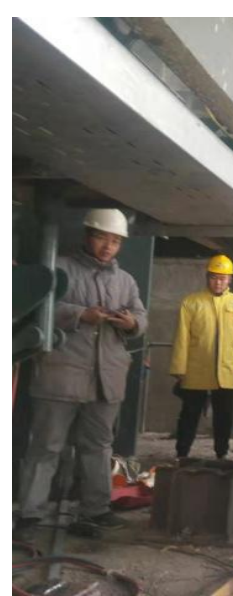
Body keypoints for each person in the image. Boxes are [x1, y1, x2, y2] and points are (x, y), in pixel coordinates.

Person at [17, 209, 148, 531]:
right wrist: (80, 315)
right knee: (46, 445)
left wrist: (132, 323)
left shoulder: (125, 281)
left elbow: (142, 317)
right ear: (88, 235)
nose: (108, 246)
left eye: (115, 241)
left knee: (98, 447)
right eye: (102, 238)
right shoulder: (59, 269)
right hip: (62, 375)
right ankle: (30, 513)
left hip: (107, 379)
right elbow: (39, 308)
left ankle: (96, 509)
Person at [170, 254, 233, 460]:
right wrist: (179, 368)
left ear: (230, 279)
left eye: (223, 278)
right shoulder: (191, 302)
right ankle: (182, 453)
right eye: (214, 277)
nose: (218, 282)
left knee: (224, 416)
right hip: (196, 369)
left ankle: (221, 454)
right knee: (189, 413)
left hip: (228, 370)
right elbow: (182, 337)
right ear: (207, 277)